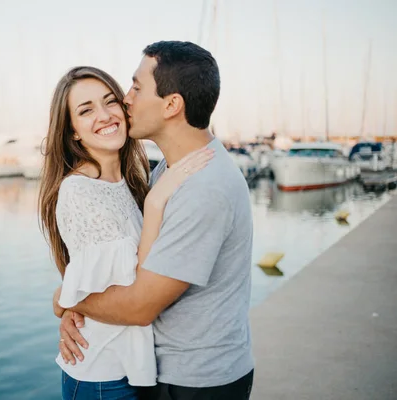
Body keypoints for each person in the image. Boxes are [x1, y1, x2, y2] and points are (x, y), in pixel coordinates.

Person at [55, 41, 255, 400]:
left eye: (135, 87)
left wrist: (68, 299)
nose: (126, 99)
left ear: (172, 105)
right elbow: (108, 266)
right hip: (162, 371)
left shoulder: (202, 186)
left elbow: (139, 306)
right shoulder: (168, 169)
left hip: (196, 381)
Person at [38, 66, 213, 400]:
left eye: (109, 102)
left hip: (133, 369)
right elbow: (136, 287)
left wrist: (67, 300)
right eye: (86, 110)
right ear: (72, 131)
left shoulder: (130, 181)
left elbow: (96, 282)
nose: (104, 116)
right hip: (101, 376)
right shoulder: (80, 191)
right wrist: (157, 203)